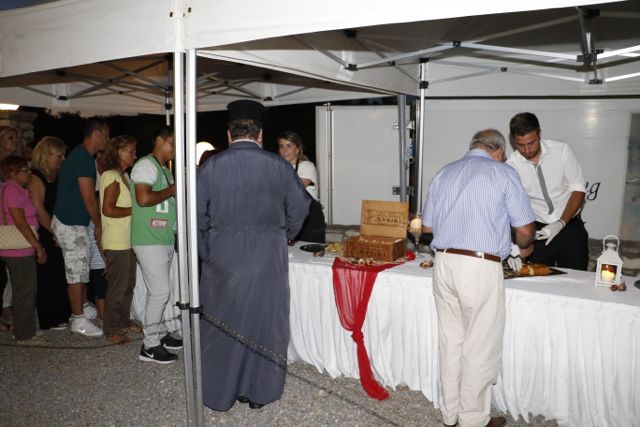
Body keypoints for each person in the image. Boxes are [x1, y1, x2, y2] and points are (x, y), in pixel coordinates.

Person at [197, 100, 309, 411]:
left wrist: (207, 253)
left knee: (223, 324)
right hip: (267, 258)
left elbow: (196, 215)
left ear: (229, 135)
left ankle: (222, 393)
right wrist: (285, 234)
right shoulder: (279, 165)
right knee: (264, 323)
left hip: (223, 257)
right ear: (260, 134)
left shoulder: (210, 167)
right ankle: (259, 391)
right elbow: (300, 207)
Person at [422, 129, 536, 427]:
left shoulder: (444, 173)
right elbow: (525, 229)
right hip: (479, 266)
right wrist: (524, 247)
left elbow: (428, 227)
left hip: (443, 263)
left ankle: (450, 415)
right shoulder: (503, 173)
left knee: (451, 341)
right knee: (480, 344)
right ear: (497, 151)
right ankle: (473, 420)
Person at [507, 112, 589, 270]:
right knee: (538, 280)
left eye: (531, 143)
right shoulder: (511, 166)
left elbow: (578, 189)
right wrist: (514, 246)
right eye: (520, 145)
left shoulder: (561, 150)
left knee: (577, 279)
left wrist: (561, 223)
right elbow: (511, 209)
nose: (527, 150)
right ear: (513, 141)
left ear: (539, 133)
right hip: (537, 232)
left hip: (570, 225)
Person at [52, 118, 109, 337]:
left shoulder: (80, 155)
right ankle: (78, 319)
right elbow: (88, 197)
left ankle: (83, 308)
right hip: (71, 222)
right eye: (106, 135)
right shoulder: (84, 158)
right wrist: (99, 225)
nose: (108, 140)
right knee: (76, 273)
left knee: (81, 268)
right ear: (96, 133)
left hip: (72, 221)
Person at [131, 127, 181, 363]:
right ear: (160, 140)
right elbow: (143, 199)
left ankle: (158, 333)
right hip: (148, 238)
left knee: (161, 290)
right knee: (160, 292)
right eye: (172, 143)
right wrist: (172, 190)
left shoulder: (165, 169)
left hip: (162, 237)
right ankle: (149, 345)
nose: (175, 149)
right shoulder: (145, 165)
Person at [0, 156, 47, 345]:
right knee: (25, 291)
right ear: (12, 172)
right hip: (19, 249)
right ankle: (24, 335)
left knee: (22, 290)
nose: (29, 173)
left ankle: (23, 329)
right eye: (25, 170)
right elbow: (19, 222)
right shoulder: (12, 190)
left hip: (19, 248)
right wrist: (38, 246)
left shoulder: (12, 189)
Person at [27, 136, 71, 330]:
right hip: (42, 230)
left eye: (63, 155)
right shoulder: (35, 178)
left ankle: (62, 313)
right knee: (47, 274)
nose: (63, 159)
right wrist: (57, 232)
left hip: (56, 227)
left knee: (60, 271)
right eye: (58, 155)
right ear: (46, 155)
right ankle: (49, 318)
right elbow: (39, 210)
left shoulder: (58, 175)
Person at [100, 135, 139, 345]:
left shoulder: (125, 176)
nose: (134, 155)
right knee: (118, 287)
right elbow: (108, 209)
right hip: (117, 241)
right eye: (130, 151)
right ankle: (111, 329)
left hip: (127, 239)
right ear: (117, 152)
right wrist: (136, 210)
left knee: (128, 285)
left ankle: (123, 321)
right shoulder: (111, 176)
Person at [277, 131, 325, 243]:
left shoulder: (307, 166)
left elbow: (292, 191)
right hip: (290, 220)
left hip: (310, 221)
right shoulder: (279, 169)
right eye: (281, 146)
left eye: (289, 146)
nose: (284, 150)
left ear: (297, 149)